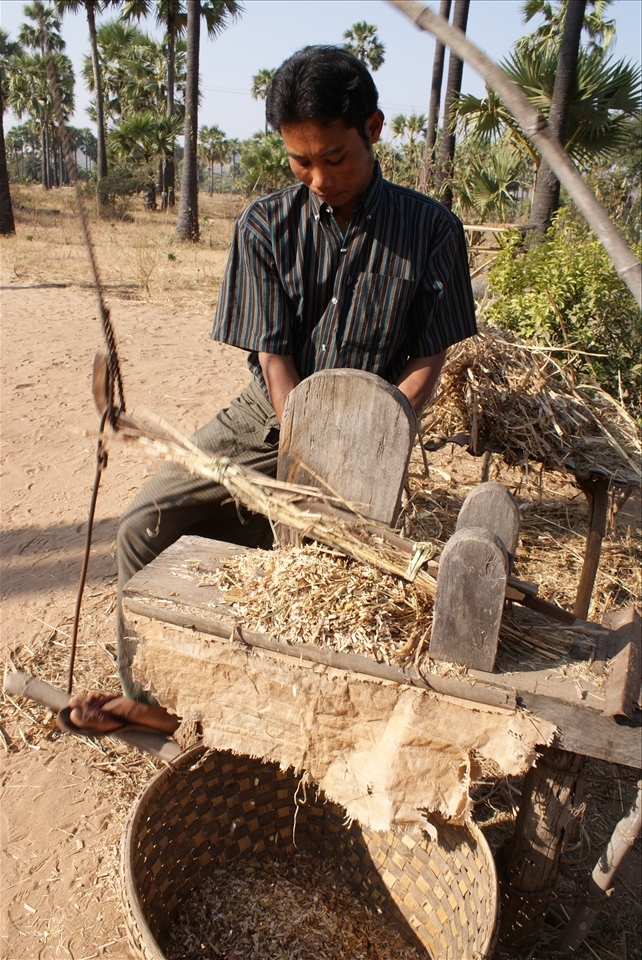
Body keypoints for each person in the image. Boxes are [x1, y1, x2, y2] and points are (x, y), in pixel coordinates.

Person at [65, 45, 476, 736]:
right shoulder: (263, 225)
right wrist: (300, 442)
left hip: (368, 433)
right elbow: (274, 355)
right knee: (145, 525)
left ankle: (304, 717)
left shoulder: (432, 229)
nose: (318, 176)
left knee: (342, 586)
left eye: (334, 156)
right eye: (299, 161)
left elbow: (429, 354)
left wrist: (384, 433)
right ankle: (155, 698)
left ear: (373, 128)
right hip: (268, 415)